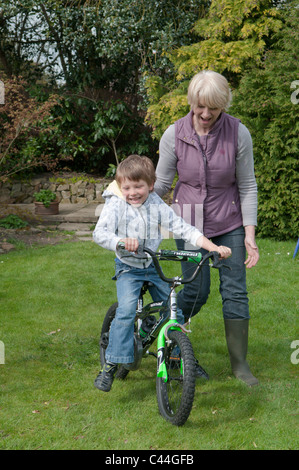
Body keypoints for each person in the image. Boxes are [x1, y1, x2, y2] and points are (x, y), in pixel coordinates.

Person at [154, 70, 259, 387]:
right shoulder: (175, 134)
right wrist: (133, 212)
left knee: (236, 292)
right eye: (200, 106)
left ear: (223, 104)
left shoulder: (238, 134)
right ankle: (164, 330)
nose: (205, 114)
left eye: (213, 108)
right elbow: (160, 184)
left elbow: (248, 186)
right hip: (188, 219)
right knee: (197, 291)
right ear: (191, 101)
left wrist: (250, 236)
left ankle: (240, 366)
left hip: (229, 222)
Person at [93, 154, 231, 392]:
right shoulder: (116, 204)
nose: (133, 192)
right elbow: (100, 233)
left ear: (151, 185)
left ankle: (180, 358)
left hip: (151, 265)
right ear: (119, 186)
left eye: (139, 186)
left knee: (173, 309)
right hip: (128, 267)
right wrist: (121, 241)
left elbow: (182, 227)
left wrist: (213, 247)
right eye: (127, 187)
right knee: (126, 311)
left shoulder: (156, 204)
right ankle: (111, 364)